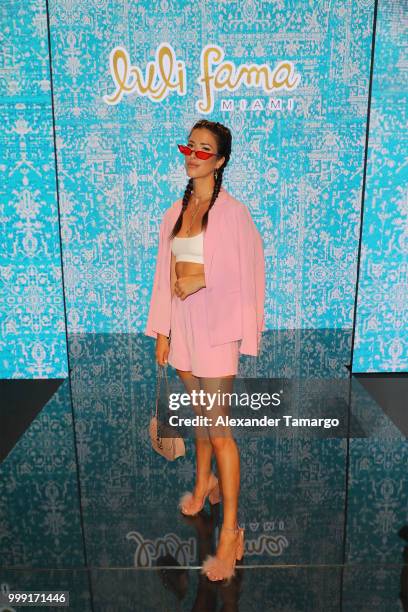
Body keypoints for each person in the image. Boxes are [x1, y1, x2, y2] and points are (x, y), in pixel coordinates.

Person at [145, 119, 265, 582]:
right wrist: (163, 330)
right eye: (190, 146)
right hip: (185, 329)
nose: (193, 154)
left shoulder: (233, 213)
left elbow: (247, 272)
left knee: (219, 432)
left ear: (220, 159)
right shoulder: (175, 209)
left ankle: (231, 532)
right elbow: (164, 273)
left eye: (204, 149)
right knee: (198, 420)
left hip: (216, 333)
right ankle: (203, 483)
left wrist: (202, 280)